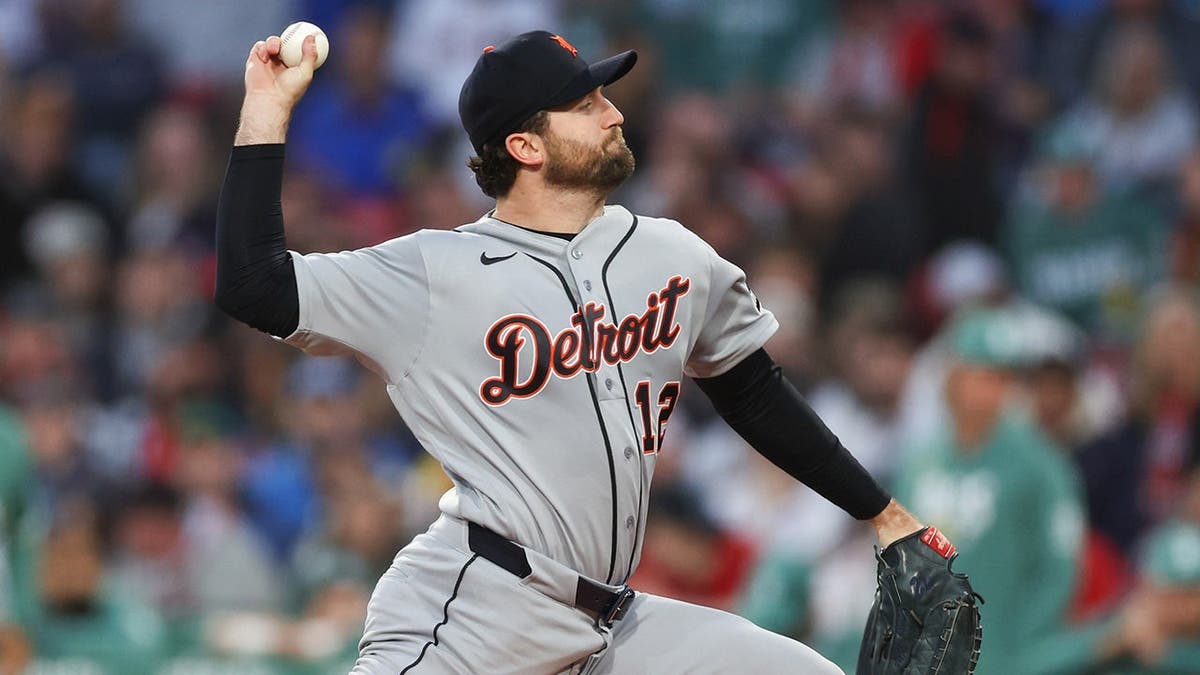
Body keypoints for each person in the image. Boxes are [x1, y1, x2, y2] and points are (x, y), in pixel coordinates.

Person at [215, 29, 958, 674]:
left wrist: (883, 514)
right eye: (586, 104)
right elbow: (254, 285)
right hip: (477, 615)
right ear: (525, 145)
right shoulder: (432, 274)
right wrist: (267, 108)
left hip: (612, 625)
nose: (614, 113)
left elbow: (754, 392)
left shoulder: (671, 254)